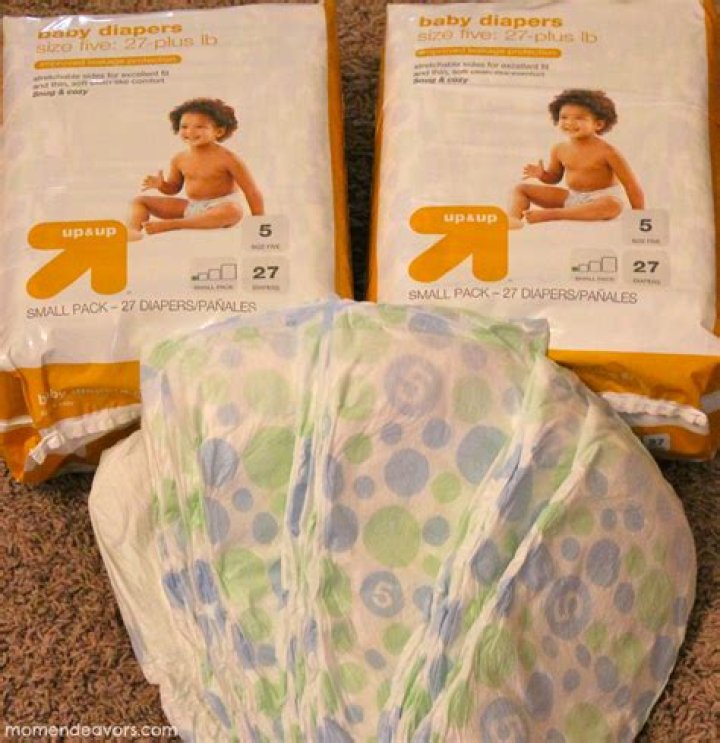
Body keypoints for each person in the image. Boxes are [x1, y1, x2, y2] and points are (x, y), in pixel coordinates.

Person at [128, 98, 264, 239]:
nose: (190, 131)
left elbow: (251, 191)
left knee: (234, 211)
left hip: (221, 206)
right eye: (184, 126)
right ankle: (133, 231)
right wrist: (162, 185)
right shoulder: (179, 158)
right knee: (139, 201)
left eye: (200, 127)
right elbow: (173, 188)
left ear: (219, 131)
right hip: (192, 207)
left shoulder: (228, 159)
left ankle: (173, 224)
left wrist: (259, 222)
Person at [508, 89, 644, 228]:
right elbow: (554, 178)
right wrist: (542, 175)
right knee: (521, 189)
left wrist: (639, 217)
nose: (570, 122)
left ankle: (553, 214)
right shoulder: (559, 148)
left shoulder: (608, 152)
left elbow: (631, 185)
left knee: (613, 205)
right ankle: (513, 219)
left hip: (601, 199)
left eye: (579, 118)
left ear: (598, 124)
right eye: (564, 117)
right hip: (572, 198)